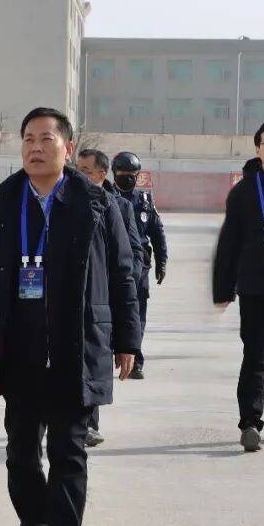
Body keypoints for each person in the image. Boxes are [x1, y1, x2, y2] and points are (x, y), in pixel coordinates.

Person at [0, 108, 141, 526]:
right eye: (28, 138)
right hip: (19, 350)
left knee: (69, 451)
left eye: (46, 138)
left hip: (77, 348)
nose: (35, 147)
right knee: (22, 453)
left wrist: (128, 339)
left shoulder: (98, 203)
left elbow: (122, 273)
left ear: (67, 148)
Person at [212, 120, 264, 451]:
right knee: (255, 357)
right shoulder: (243, 192)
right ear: (257, 149)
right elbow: (229, 244)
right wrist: (224, 289)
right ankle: (249, 422)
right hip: (255, 290)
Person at [75, 148, 144, 448]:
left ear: (101, 174)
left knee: (94, 359)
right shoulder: (66, 202)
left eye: (85, 170)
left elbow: (132, 253)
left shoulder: (117, 206)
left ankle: (90, 424)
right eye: (76, 168)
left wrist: (124, 284)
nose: (78, 175)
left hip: (103, 297)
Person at [111, 152, 167, 379]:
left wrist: (162, 261)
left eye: (132, 175)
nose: (127, 179)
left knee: (136, 315)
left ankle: (136, 360)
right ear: (114, 174)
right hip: (112, 264)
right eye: (122, 174)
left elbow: (157, 232)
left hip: (139, 266)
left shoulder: (144, 201)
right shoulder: (105, 197)